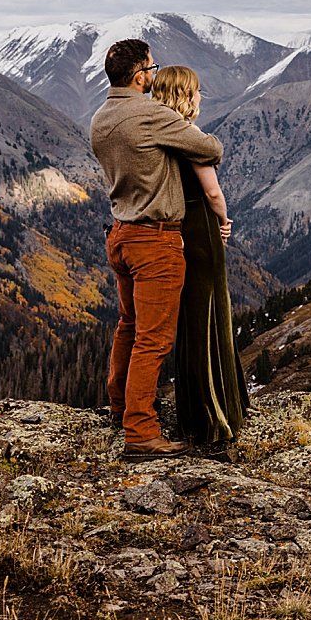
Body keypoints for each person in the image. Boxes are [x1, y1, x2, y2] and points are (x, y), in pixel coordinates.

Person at [89, 39, 223, 460]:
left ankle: (119, 406)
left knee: (128, 326)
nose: (154, 73)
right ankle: (141, 432)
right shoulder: (150, 114)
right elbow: (210, 150)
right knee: (154, 340)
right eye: (152, 67)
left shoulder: (101, 117)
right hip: (156, 239)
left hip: (122, 234)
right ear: (139, 76)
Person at [150, 66, 250, 444]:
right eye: (196, 91)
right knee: (210, 313)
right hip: (200, 227)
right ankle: (218, 410)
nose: (201, 97)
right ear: (185, 95)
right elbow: (212, 192)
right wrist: (223, 219)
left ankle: (194, 409)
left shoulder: (158, 135)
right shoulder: (188, 135)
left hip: (175, 227)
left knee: (191, 317)